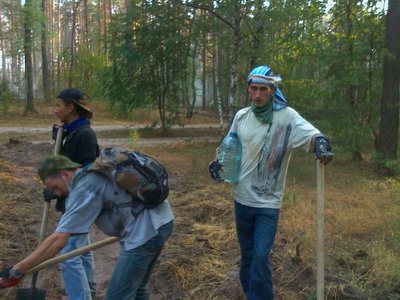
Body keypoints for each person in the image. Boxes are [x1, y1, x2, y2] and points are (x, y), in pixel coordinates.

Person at [208, 65, 334, 300]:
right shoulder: (241, 116)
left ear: (272, 89)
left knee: (260, 257)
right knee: (247, 255)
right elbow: (229, 145)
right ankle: (250, 294)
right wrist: (217, 163)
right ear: (248, 88)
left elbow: (311, 134)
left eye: (263, 89)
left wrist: (320, 142)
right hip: (241, 198)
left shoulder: (287, 118)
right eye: (254, 88)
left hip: (268, 203)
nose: (258, 94)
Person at [0, 154, 174, 299]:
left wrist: (18, 269)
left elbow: (58, 241)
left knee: (117, 296)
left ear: (65, 175)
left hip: (146, 233)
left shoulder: (84, 187)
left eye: (55, 187)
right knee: (137, 289)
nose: (57, 193)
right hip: (163, 221)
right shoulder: (91, 172)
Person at [44, 88, 100, 299]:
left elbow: (87, 172)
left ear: (71, 107)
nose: (55, 110)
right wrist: (61, 138)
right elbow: (66, 165)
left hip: (79, 201)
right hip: (72, 199)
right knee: (80, 249)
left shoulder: (84, 135)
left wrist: (58, 191)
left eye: (58, 105)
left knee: (69, 253)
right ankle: (90, 291)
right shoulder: (72, 132)